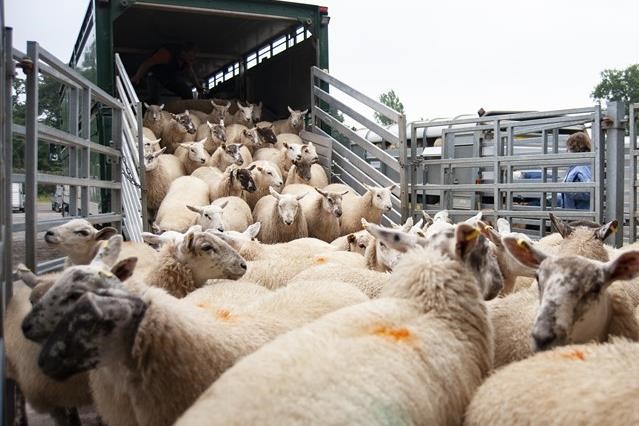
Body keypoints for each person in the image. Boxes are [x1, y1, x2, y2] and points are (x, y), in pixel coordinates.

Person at [131, 42, 203, 104]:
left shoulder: (186, 61)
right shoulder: (166, 53)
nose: (192, 58)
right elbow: (147, 63)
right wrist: (137, 77)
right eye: (191, 56)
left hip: (169, 78)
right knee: (153, 101)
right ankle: (139, 110)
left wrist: (198, 86)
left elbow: (191, 74)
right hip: (155, 76)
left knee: (187, 92)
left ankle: (187, 112)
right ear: (183, 52)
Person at [557, 131, 592, 209]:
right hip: (574, 213)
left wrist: (567, 190)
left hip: (581, 214)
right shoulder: (576, 166)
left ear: (574, 147)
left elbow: (588, 192)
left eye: (568, 148)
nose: (566, 151)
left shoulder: (582, 166)